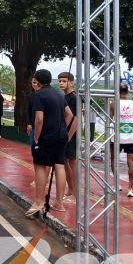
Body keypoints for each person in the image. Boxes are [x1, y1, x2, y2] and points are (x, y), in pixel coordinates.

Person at [26, 69, 73, 218]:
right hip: (61, 135)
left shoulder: (38, 95)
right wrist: (62, 127)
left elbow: (39, 119)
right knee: (59, 166)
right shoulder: (59, 94)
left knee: (40, 165)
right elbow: (69, 114)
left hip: (46, 136)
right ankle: (59, 203)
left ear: (38, 81)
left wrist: (36, 138)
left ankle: (39, 202)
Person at [109, 82, 133, 198]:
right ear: (128, 92)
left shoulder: (113, 104)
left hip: (117, 137)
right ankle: (131, 189)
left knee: (114, 160)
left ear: (117, 91)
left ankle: (117, 184)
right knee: (131, 163)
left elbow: (109, 119)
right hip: (131, 137)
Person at [58, 72, 78, 200]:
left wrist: (69, 136)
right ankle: (70, 189)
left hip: (71, 134)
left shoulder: (74, 98)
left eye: (64, 81)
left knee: (71, 162)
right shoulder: (64, 97)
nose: (61, 83)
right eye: (60, 81)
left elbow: (76, 119)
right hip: (64, 133)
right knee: (66, 162)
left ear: (71, 82)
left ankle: (74, 192)